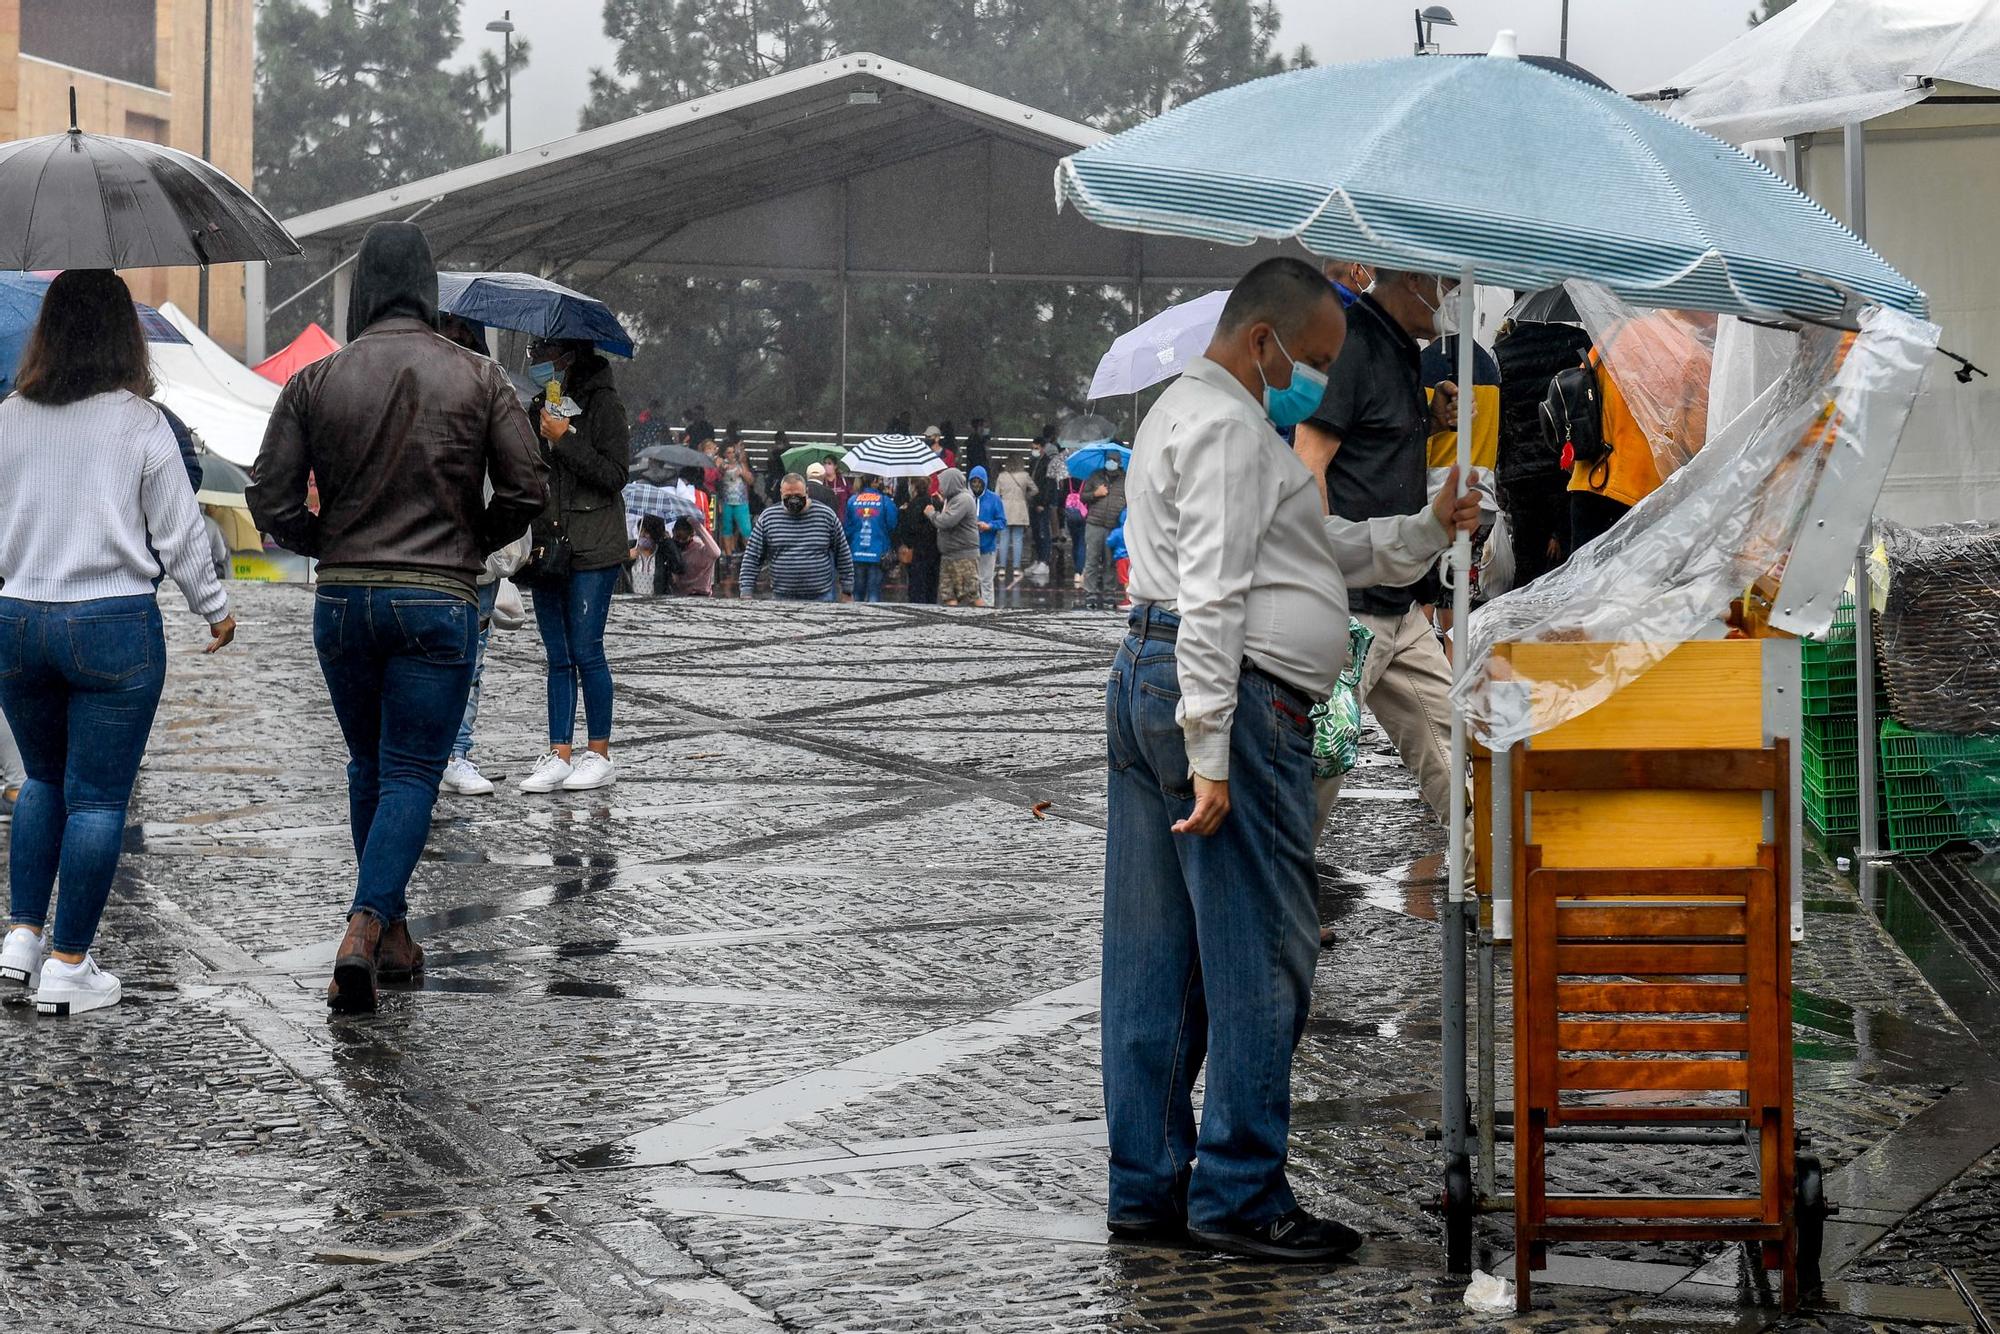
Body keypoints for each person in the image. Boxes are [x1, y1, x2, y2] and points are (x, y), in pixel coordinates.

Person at [1104, 257, 1478, 1261]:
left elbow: (1320, 550)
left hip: (1155, 678)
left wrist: (1424, 528)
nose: (1313, 379)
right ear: (1261, 339)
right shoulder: (1229, 429)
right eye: (1309, 358)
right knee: (1263, 951)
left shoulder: (1191, 415)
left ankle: (1146, 1182)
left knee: (1156, 952)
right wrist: (1211, 751)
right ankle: (1239, 1192)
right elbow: (1215, 597)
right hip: (1234, 694)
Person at [249, 223, 543, 1013]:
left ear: (367, 290)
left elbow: (270, 498)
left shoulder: (315, 380)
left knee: (367, 768)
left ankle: (395, 937)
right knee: (413, 770)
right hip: (437, 597)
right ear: (429, 286)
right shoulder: (480, 378)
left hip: (343, 599)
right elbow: (525, 492)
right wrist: (469, 541)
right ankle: (364, 923)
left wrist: (327, 542)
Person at [0, 270, 239, 1017]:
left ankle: (20, 941)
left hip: (16, 621)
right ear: (124, 338)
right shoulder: (142, 423)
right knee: (98, 799)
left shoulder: (8, 415)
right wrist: (215, 607)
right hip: (111, 624)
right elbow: (178, 532)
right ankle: (70, 967)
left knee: (41, 782)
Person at [1294, 268, 1464, 835]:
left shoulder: (1400, 348)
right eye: (1445, 283)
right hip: (1349, 607)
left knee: (1452, 747)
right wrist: (1321, 579)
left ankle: (1485, 880)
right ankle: (1274, 901)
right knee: (1320, 760)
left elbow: (1373, 436)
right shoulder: (1352, 342)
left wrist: (1429, 414)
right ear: (1413, 277)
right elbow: (1308, 461)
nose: (1451, 298)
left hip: (1401, 600)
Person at [518, 334, 632, 797]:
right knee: (558, 656)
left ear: (566, 355)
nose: (536, 362)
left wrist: (566, 440)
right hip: (550, 547)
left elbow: (614, 474)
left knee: (587, 650)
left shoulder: (606, 405)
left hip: (594, 545)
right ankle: (559, 752)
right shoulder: (543, 403)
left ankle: (599, 753)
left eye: (541, 354)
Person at [740, 474, 854, 601]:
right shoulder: (768, 517)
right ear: (781, 493)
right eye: (788, 497)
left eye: (798, 496)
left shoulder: (826, 515)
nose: (793, 500)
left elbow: (843, 554)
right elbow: (752, 556)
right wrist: (746, 591)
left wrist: (847, 590)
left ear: (807, 492)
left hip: (821, 598)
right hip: (782, 598)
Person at [1080, 456, 1128, 610]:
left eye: (1114, 460)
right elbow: (1083, 497)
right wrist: (1095, 494)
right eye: (1109, 459)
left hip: (1114, 526)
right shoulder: (1096, 476)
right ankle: (1090, 592)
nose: (1111, 462)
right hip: (1094, 523)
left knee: (1110, 561)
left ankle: (1109, 592)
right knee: (1092, 559)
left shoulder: (1125, 480)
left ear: (1119, 463)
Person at [930, 469, 982, 607]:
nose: (940, 487)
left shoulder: (963, 499)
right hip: (950, 555)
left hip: (963, 556)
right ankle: (951, 623)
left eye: (942, 483)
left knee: (972, 593)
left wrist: (932, 514)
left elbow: (946, 521)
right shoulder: (952, 499)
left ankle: (986, 619)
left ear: (950, 483)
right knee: (948, 594)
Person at [844, 475, 899, 603]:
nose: (881, 482)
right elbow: (892, 525)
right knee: (874, 593)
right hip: (878, 553)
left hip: (856, 552)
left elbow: (847, 527)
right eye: (879, 480)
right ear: (874, 481)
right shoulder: (885, 501)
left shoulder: (852, 500)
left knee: (857, 594)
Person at [895, 477, 941, 604]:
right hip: (934, 553)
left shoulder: (912, 506)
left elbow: (906, 533)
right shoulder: (935, 503)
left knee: (917, 591)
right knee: (931, 589)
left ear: (913, 486)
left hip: (917, 555)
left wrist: (902, 514)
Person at [972, 465, 1008, 607]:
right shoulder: (967, 498)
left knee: (986, 580)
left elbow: (1002, 521)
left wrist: (989, 526)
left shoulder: (994, 499)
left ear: (984, 482)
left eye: (978, 482)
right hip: (969, 547)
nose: (976, 485)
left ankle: (987, 607)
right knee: (972, 581)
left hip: (988, 546)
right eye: (973, 482)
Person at [1028, 430, 1060, 578]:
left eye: (1036, 447)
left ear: (1042, 447)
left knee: (1043, 532)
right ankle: (1038, 558)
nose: (1033, 450)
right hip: (1034, 502)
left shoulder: (1049, 463)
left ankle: (1045, 561)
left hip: (1042, 503)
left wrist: (1043, 502)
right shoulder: (1034, 462)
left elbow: (1049, 485)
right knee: (1035, 532)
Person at [716, 439, 756, 560]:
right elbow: (718, 474)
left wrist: (743, 472)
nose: (732, 455)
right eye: (729, 452)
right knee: (727, 528)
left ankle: (750, 554)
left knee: (746, 528)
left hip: (741, 501)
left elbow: (750, 480)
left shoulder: (741, 464)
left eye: (733, 452)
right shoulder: (722, 464)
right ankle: (729, 555)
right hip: (727, 500)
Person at [997, 453, 1031, 577]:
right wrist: (1025, 497)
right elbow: (1035, 489)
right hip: (1020, 510)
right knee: (1017, 539)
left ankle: (1002, 567)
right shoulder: (1025, 476)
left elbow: (996, 494)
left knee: (1003, 539)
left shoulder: (1001, 476)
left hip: (1005, 510)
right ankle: (1016, 567)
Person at [670, 516, 722, 596]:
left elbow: (716, 553)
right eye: (678, 537)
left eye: (684, 538)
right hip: (679, 595)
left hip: (701, 594)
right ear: (673, 532)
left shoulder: (701, 548)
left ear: (692, 535)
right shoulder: (671, 548)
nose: (680, 541)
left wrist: (697, 526)